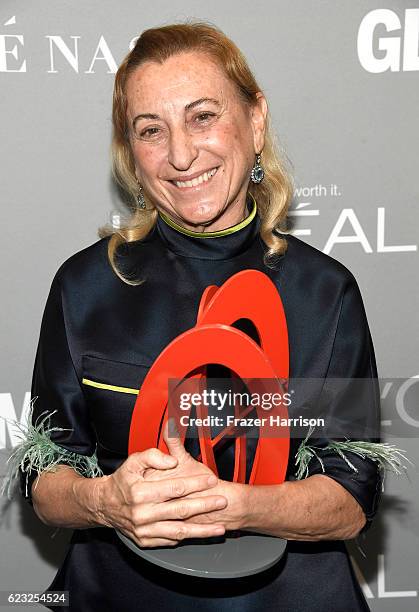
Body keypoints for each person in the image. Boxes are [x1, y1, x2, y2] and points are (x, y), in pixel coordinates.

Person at [6, 21, 386, 612]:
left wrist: (232, 504)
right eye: (150, 130)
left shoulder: (326, 292)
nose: (180, 155)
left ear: (255, 121)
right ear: (130, 151)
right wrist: (106, 499)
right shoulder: (84, 286)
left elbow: (352, 498)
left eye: (203, 117)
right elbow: (45, 482)